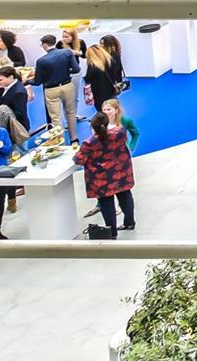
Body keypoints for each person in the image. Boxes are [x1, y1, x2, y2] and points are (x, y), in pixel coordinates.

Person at [74, 100, 136, 237]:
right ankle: (129, 222)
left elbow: (79, 160)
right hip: (122, 173)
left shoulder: (90, 143)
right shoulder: (120, 132)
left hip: (102, 180)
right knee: (125, 195)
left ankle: (112, 233)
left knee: (106, 204)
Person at [33, 33, 81, 140]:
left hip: (51, 90)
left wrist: (27, 81)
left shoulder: (41, 61)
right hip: (67, 85)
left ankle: (60, 141)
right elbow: (76, 69)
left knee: (56, 118)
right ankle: (74, 138)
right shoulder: (67, 53)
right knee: (71, 113)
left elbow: (37, 81)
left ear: (45, 45)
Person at [83, 43, 119, 113]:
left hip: (98, 93)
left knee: (102, 110)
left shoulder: (92, 66)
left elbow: (88, 79)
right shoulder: (110, 61)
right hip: (110, 90)